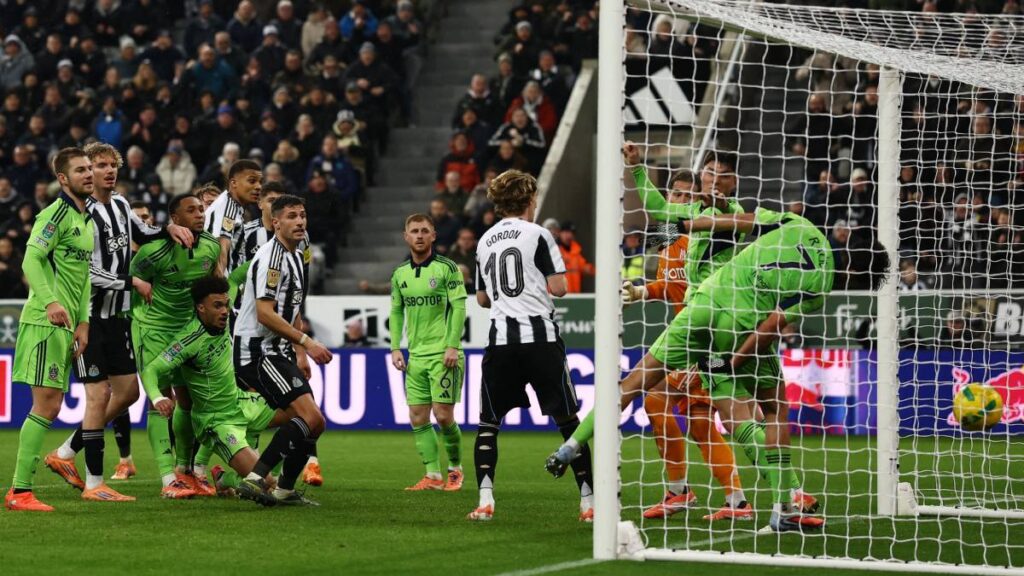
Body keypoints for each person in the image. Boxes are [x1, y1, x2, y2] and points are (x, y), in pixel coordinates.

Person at [548, 207, 889, 532]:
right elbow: (772, 325)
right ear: (858, 274)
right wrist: (733, 361)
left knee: (634, 382)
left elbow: (739, 220)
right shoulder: (821, 285)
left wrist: (681, 227)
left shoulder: (798, 223)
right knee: (771, 410)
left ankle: (572, 445)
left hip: (704, 301)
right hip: (740, 324)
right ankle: (784, 504)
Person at [43, 143, 192, 499]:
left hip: (118, 318)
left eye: (113, 165)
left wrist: (169, 229)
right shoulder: (82, 214)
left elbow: (143, 233)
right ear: (86, 171)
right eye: (99, 165)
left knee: (128, 393)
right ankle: (95, 483)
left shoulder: (122, 205)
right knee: (98, 396)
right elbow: (86, 271)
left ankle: (66, 452)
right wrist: (131, 281)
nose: (108, 171)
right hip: (88, 318)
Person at [467, 169, 593, 522]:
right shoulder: (539, 234)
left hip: (501, 342)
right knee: (568, 421)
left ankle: (485, 501)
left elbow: (482, 299)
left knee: (488, 424)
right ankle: (589, 504)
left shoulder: (484, 240)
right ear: (530, 200)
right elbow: (560, 289)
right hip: (540, 339)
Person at [139, 275, 285, 500]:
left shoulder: (221, 318)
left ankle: (273, 472)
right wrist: (158, 397)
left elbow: (235, 279)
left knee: (305, 416)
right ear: (201, 308)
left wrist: (263, 261)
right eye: (217, 306)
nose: (225, 311)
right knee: (264, 483)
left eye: (226, 305)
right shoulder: (188, 341)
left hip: (240, 402)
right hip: (217, 421)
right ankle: (225, 480)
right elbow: (151, 370)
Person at [4, 148, 93, 512]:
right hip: (44, 322)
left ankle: (21, 490)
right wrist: (51, 302)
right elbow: (31, 259)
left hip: (67, 326)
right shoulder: (55, 214)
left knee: (51, 405)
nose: (89, 174)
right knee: (46, 404)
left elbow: (83, 278)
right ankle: (20, 491)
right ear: (63, 178)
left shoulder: (86, 219)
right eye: (80, 170)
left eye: (89, 168)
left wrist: (83, 321)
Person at [235, 195, 333, 506]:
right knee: (309, 417)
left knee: (314, 422)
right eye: (291, 216)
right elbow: (265, 314)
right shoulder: (272, 259)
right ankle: (255, 478)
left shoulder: (298, 253)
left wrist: (299, 352)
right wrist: (307, 342)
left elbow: (293, 308)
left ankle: (285, 490)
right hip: (257, 351)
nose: (300, 221)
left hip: (278, 350)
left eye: (302, 215)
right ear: (276, 223)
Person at [130, 194, 221, 499]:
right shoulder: (154, 250)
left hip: (187, 330)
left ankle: (185, 469)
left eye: (201, 209)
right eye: (191, 210)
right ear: (175, 218)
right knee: (160, 400)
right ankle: (167, 478)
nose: (200, 214)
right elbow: (130, 278)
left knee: (189, 400)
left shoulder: (211, 246)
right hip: (154, 328)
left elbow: (213, 285)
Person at [389, 214, 467, 491]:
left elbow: (459, 307)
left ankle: (455, 469)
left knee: (443, 416)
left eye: (424, 231)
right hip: (416, 357)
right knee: (418, 416)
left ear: (433, 235)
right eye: (414, 231)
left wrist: (452, 345)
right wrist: (395, 347)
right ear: (406, 237)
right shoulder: (400, 274)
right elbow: (396, 311)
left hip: (444, 354)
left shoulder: (447, 268)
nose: (419, 235)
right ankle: (432, 476)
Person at [205, 159, 261, 277]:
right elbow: (220, 249)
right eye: (252, 181)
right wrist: (220, 285)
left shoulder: (232, 206)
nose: (258, 186)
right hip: (225, 284)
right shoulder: (228, 209)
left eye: (260, 182)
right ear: (233, 183)